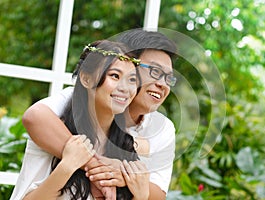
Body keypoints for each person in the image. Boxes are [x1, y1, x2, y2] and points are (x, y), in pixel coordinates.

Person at [21, 29, 177, 199]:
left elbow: (158, 194)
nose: (162, 84)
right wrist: (95, 168)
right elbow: (35, 117)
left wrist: (128, 179)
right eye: (155, 71)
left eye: (168, 78)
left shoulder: (159, 130)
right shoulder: (77, 101)